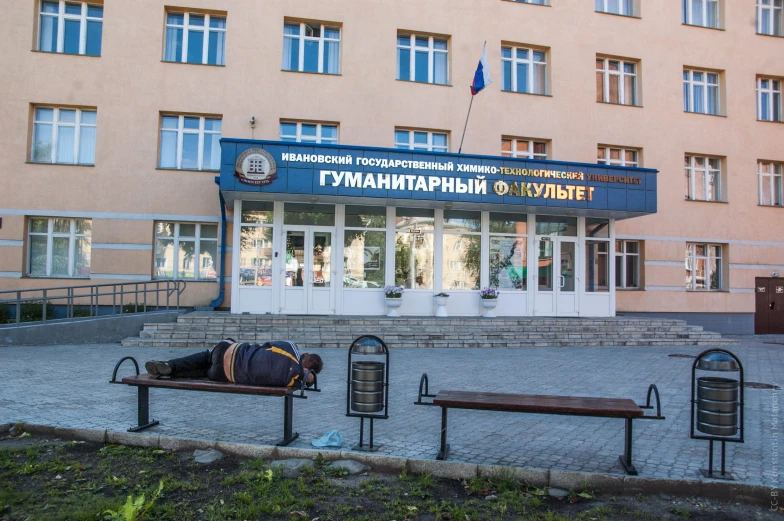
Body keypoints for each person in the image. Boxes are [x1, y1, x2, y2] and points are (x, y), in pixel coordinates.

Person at [144, 340, 323, 388]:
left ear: (304, 354)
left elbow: (267, 345)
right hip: (225, 376)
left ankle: (169, 365)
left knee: (209, 355)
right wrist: (308, 378)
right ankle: (168, 373)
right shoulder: (292, 381)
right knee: (206, 372)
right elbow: (306, 381)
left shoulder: (291, 348)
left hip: (230, 352)